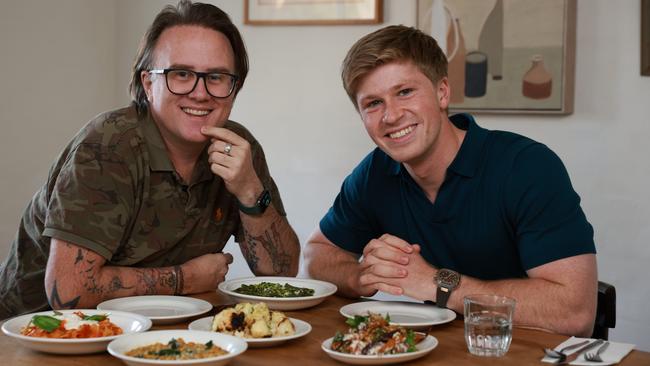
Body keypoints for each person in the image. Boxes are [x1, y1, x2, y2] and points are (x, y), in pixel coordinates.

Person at [0, 0, 300, 320]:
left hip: (157, 328)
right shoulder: (107, 147)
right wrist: (183, 279)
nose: (200, 93)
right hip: (38, 332)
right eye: (181, 74)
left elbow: (281, 273)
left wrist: (250, 190)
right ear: (148, 83)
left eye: (216, 77)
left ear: (234, 87)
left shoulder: (239, 148)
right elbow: (69, 291)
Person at [304, 25, 597, 336]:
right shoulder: (375, 172)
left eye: (404, 92)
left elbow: (575, 312)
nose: (390, 115)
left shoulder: (527, 166)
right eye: (373, 103)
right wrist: (361, 275)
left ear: (442, 92)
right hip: (432, 350)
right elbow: (315, 257)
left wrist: (437, 284)